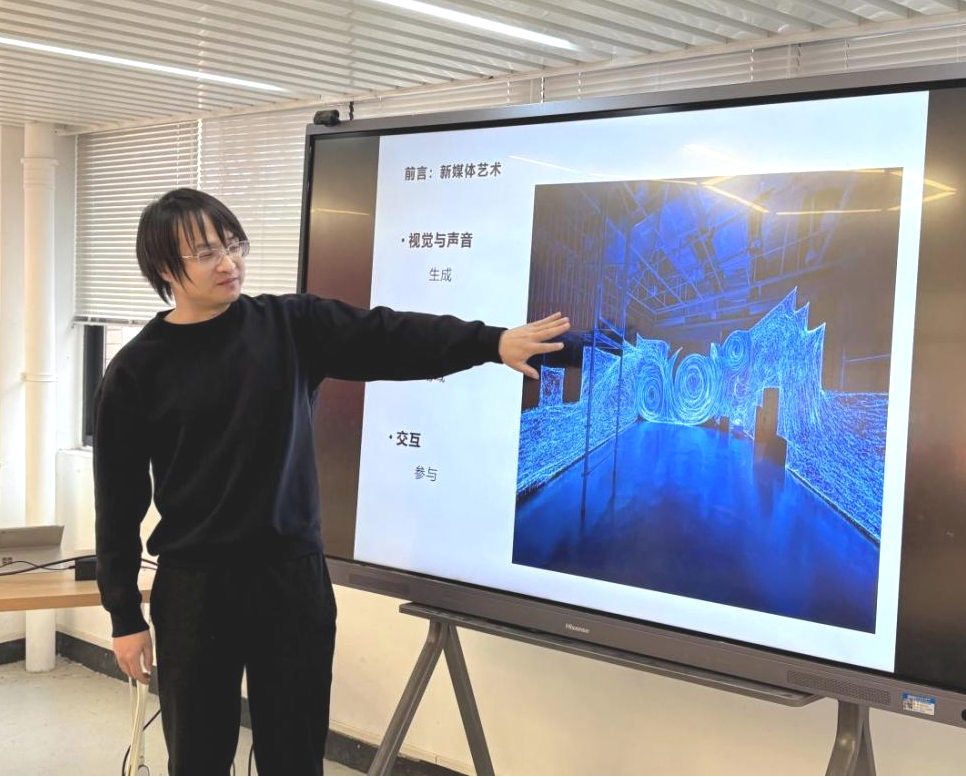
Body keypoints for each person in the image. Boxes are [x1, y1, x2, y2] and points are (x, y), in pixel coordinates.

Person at [94, 188, 570, 776]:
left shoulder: (289, 326)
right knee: (197, 756)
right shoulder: (137, 369)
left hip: (292, 578)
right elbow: (117, 502)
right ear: (166, 269)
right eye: (206, 253)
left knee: (295, 754)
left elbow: (389, 336)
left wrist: (490, 343)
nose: (229, 263)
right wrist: (124, 615)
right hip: (196, 587)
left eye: (234, 245)